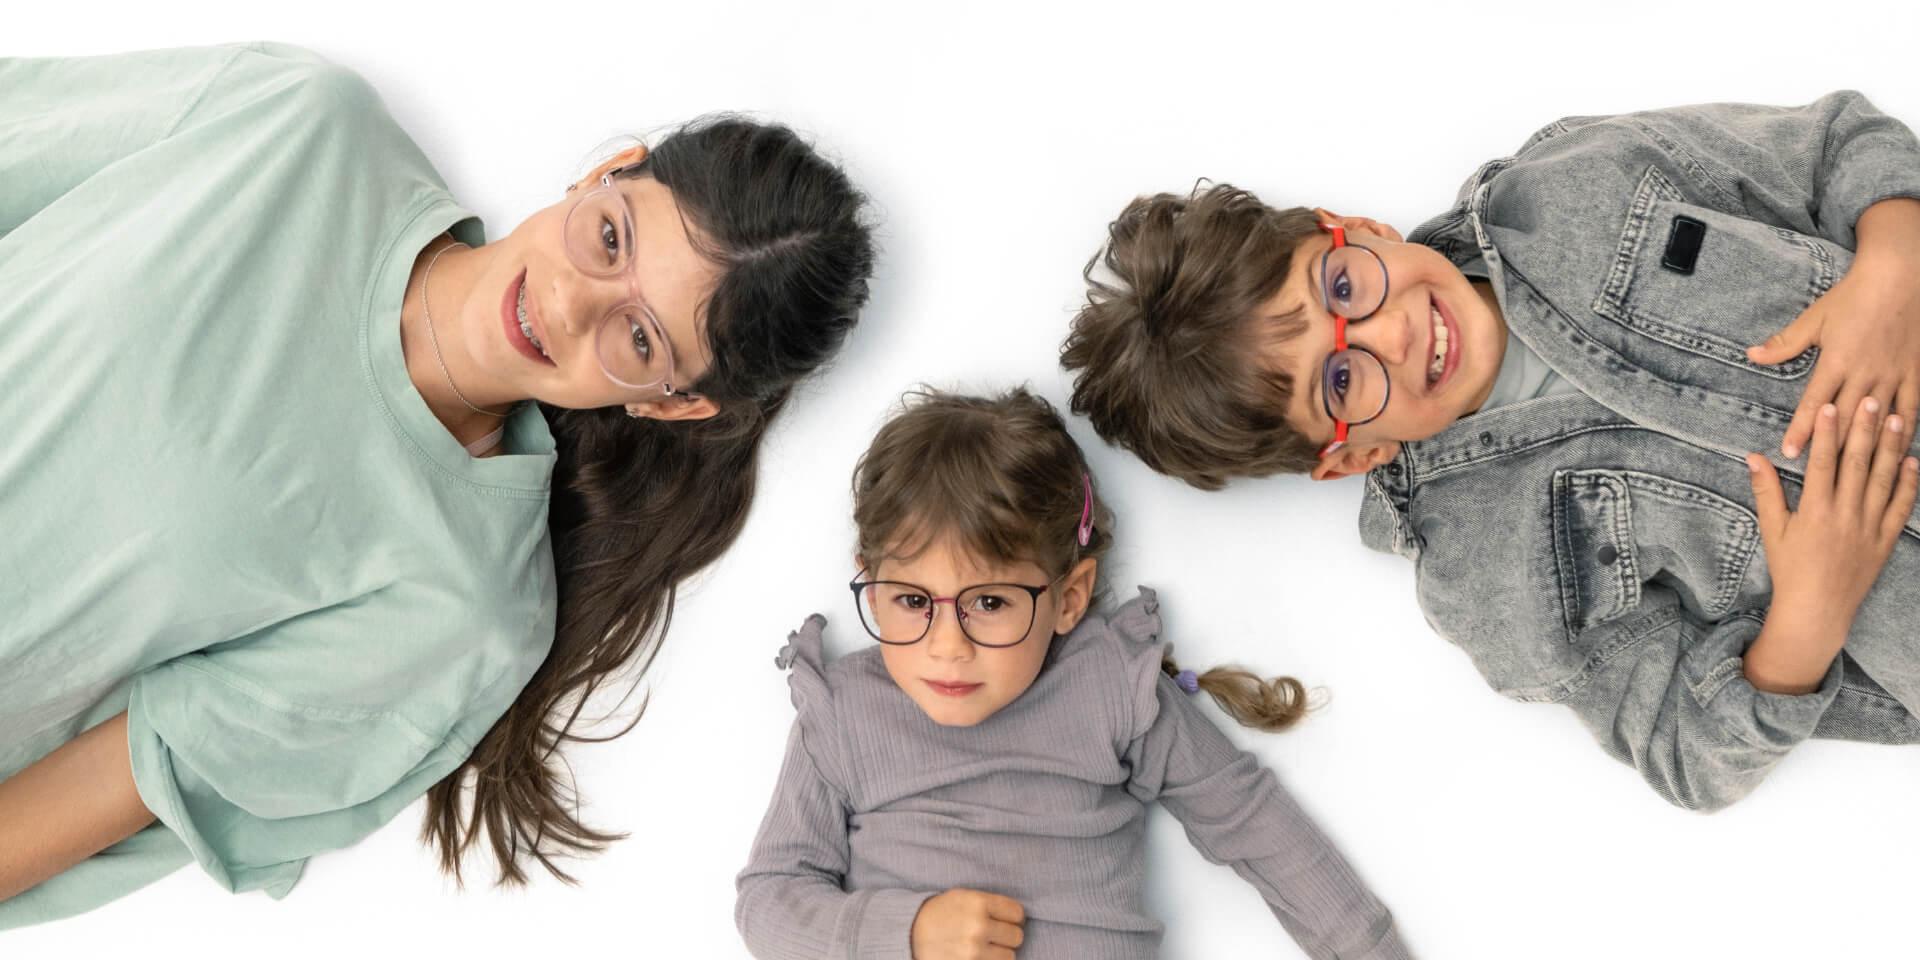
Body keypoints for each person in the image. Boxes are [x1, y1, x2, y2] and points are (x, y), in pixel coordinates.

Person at [0, 41, 875, 925]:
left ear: (675, 404)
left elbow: (109, 782)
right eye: (610, 239)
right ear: (609, 173)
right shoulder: (301, 129)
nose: (572, 304)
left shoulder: (463, 605)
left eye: (641, 339)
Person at [1060, 91, 1920, 813]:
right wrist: (1811, 615)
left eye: (1345, 288)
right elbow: (1686, 750)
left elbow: (1840, 142)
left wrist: (1891, 265)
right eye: (1342, 382)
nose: (1393, 333)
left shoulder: (1574, 181)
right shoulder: (1487, 578)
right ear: (1349, 458)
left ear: (1351, 228)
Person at [734, 388, 1409, 960]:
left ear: (1070, 598)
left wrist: (1370, 949)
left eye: (990, 603)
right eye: (912, 601)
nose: (947, 647)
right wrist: (903, 931)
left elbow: (1253, 822)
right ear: (872, 585)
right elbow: (770, 898)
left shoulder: (1113, 688)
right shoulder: (845, 714)